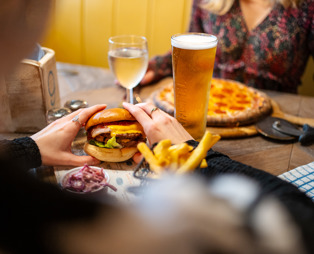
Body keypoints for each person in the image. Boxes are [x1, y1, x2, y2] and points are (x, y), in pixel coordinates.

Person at [0, 1, 314, 253]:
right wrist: (195, 157)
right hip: (203, 120)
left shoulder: (304, 8)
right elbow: (297, 219)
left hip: (267, 107)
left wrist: (27, 149)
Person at [141, 0, 314, 93]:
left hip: (279, 120)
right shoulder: (206, 1)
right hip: (213, 106)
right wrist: (156, 67)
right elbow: (190, 51)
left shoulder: (306, 7)